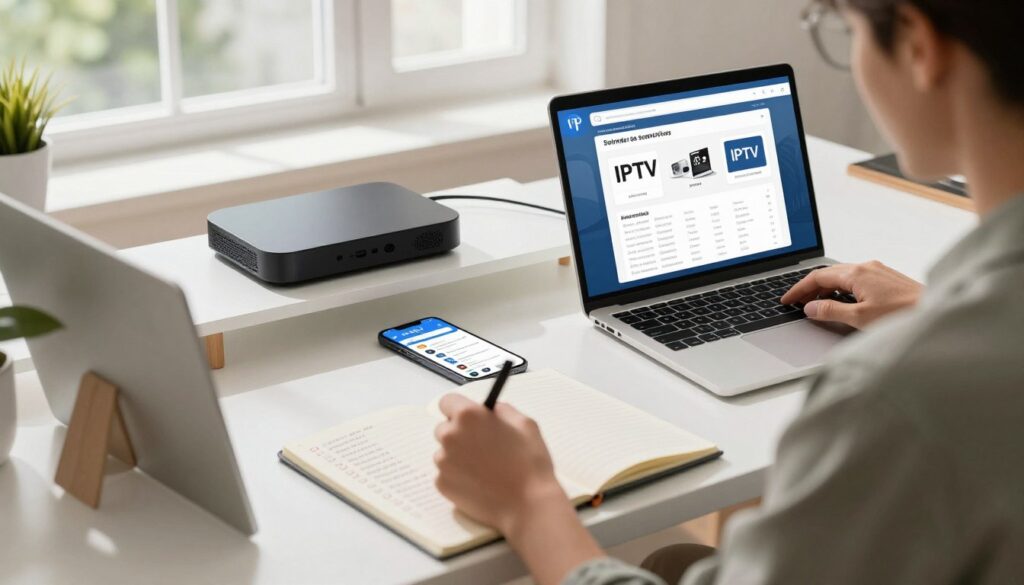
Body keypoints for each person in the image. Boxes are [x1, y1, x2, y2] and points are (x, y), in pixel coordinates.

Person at [432, 0, 1024, 583]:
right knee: (675, 560)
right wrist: (937, 312)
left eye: (847, 30)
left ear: (920, 46)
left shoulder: (889, 397)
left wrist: (529, 502)